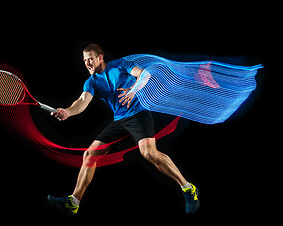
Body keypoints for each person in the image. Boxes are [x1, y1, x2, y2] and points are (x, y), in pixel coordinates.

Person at [47, 44, 199, 215]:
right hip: (119, 121)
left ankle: (188, 188)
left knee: (148, 153)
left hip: (138, 114)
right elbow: (82, 101)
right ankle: (74, 202)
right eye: (84, 61)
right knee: (89, 155)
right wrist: (68, 111)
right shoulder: (92, 81)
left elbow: (144, 74)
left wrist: (133, 90)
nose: (87, 63)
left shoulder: (120, 64)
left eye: (90, 59)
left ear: (100, 57)